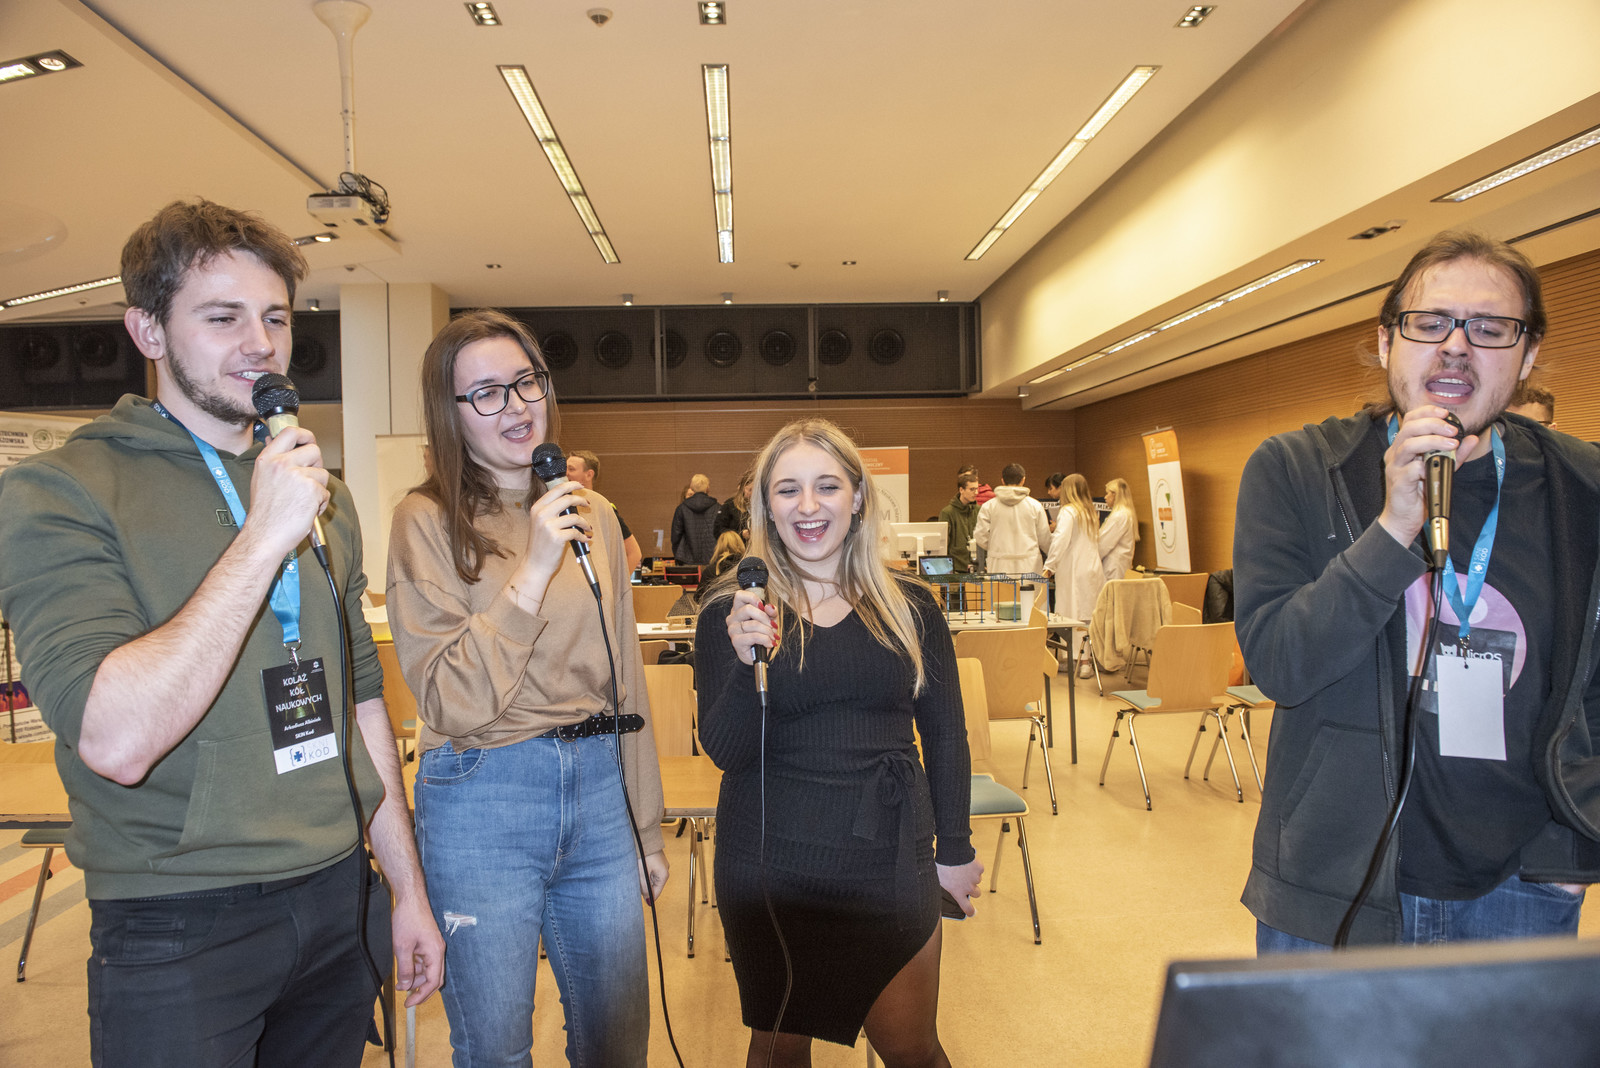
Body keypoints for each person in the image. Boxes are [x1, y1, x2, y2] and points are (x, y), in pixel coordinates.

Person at [0, 198, 443, 1065]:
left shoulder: (322, 495)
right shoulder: (62, 490)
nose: (260, 343)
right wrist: (262, 537)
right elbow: (116, 739)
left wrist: (405, 886)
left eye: (275, 317)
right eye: (222, 317)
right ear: (148, 330)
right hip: (179, 918)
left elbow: (360, 705)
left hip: (337, 895)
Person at [1234, 229, 1600, 951]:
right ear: (1385, 343)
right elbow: (1279, 664)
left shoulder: (1582, 486)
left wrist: (1573, 840)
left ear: (1527, 356)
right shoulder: (1297, 469)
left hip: (1522, 887)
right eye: (1430, 323)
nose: (1456, 346)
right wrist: (1392, 528)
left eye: (1490, 328)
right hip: (1335, 878)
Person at [385, 309, 668, 1065]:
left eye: (525, 382)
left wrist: (644, 825)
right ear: (449, 412)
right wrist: (535, 567)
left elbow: (624, 678)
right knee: (496, 1049)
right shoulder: (424, 521)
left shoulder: (593, 512)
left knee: (617, 1045)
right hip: (483, 793)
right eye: (486, 393)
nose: (514, 406)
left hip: (602, 791)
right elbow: (448, 700)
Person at [696, 418, 981, 1067]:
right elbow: (727, 751)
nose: (808, 505)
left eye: (827, 486)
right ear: (765, 506)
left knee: (911, 1047)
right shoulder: (729, 612)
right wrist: (744, 662)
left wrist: (955, 849)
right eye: (788, 489)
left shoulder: (911, 606)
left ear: (857, 498)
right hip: (771, 862)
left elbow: (945, 734)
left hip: (891, 856)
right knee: (779, 1048)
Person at [1042, 473, 1104, 634]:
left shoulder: (1068, 511)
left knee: (1073, 615)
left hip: (1074, 568)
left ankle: (1077, 649)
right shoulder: (1091, 512)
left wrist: (1049, 566)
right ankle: (1089, 649)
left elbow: (1060, 540)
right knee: (1090, 614)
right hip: (1093, 567)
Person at [566, 447, 644, 573]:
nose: (566, 473)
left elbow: (634, 553)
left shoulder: (605, 509)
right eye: (565, 469)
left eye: (571, 469)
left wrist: (618, 584)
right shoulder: (563, 507)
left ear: (589, 474)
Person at [973, 462, 1051, 575]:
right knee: (1029, 588)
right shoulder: (1035, 506)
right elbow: (1045, 539)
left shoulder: (988, 506)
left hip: (999, 564)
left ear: (1002, 481)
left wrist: (995, 548)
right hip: (1030, 565)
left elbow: (980, 536)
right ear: (1023, 480)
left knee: (1000, 588)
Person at [936, 472, 981, 572]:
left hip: (977, 567)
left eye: (977, 489)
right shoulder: (947, 512)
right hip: (956, 568)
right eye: (972, 489)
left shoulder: (980, 510)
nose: (976, 492)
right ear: (961, 490)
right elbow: (943, 545)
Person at [673, 473, 720, 565]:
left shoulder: (681, 508)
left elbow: (676, 536)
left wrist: (678, 555)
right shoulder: (718, 508)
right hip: (712, 558)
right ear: (708, 488)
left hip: (686, 559)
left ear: (691, 487)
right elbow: (721, 534)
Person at [1097, 477, 1138, 582]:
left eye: (1108, 493)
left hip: (1113, 567)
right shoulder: (1125, 513)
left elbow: (1104, 544)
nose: (1105, 497)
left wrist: (1092, 559)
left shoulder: (1119, 515)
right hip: (1118, 565)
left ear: (1115, 494)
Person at [716, 469, 755, 542]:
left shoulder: (762, 506)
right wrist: (740, 535)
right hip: (737, 546)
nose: (752, 493)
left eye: (755, 490)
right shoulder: (730, 505)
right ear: (742, 488)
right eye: (750, 490)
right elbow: (718, 531)